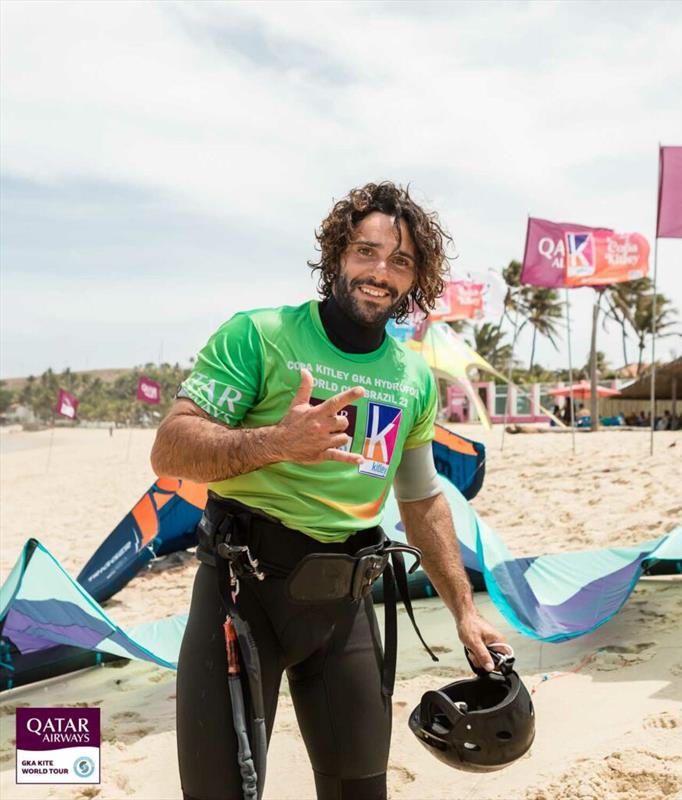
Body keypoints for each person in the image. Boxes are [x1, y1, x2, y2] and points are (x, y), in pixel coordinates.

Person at [150, 182, 508, 800]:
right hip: (241, 597)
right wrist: (276, 442)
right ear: (338, 254)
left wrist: (465, 611)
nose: (380, 272)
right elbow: (171, 448)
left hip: (344, 604)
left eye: (400, 262)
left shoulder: (411, 377)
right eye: (366, 252)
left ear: (415, 279)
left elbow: (421, 501)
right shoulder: (260, 336)